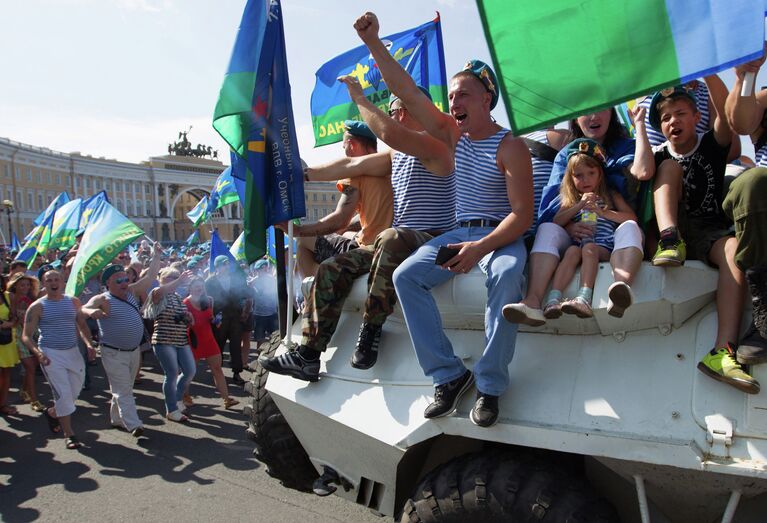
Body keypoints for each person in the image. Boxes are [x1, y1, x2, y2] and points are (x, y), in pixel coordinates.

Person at [347, 13, 533, 427]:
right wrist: (374, 43)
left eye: (464, 95)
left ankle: (489, 385)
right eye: (452, 96)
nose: (454, 103)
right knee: (405, 277)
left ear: (487, 98)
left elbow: (522, 216)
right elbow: (407, 92)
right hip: (456, 231)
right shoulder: (453, 134)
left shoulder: (512, 146)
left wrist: (479, 249)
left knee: (505, 278)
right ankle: (448, 376)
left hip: (499, 236)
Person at [260, 76, 456, 378]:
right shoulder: (395, 156)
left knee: (389, 236)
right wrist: (305, 174)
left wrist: (360, 99)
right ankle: (309, 356)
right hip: (396, 243)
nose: (393, 120)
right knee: (331, 268)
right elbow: (352, 166)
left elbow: (385, 134)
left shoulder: (437, 146)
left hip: (431, 240)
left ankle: (371, 331)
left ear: (401, 113)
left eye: (393, 113)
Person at [646, 77, 756, 393]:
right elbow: (640, 172)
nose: (673, 121)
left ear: (696, 117)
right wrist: (642, 130)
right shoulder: (658, 154)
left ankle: (722, 352)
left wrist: (710, 72)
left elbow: (725, 114)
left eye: (680, 113)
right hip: (671, 235)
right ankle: (670, 239)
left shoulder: (710, 145)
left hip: (706, 232)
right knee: (669, 169)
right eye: (665, 118)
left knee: (734, 249)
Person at [504, 106, 653, 324]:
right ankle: (534, 300)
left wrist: (639, 125)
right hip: (576, 236)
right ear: (574, 117)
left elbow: (643, 172)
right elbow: (552, 210)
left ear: (612, 112)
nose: (594, 117)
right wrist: (568, 227)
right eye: (585, 110)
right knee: (548, 230)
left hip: (613, 236)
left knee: (630, 227)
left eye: (601, 109)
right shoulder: (567, 154)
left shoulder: (627, 147)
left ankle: (620, 289)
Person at [543, 140, 639, 319]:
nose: (585, 179)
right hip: (580, 245)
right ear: (570, 178)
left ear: (600, 174)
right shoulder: (572, 199)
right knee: (572, 251)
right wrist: (578, 205)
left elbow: (631, 218)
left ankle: (584, 297)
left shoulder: (610, 195)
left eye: (591, 173)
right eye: (578, 175)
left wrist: (604, 212)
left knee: (589, 249)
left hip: (604, 246)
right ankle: (553, 299)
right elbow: (557, 220)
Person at [288, 120, 394, 280]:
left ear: (351, 144)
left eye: (344, 146)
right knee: (349, 233)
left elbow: (340, 220)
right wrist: (344, 230)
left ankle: (312, 291)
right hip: (390, 244)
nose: (344, 151)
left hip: (367, 250)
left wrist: (298, 231)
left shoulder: (357, 174)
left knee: (303, 240)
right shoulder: (390, 167)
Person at [81, 242, 162, 437]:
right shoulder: (103, 298)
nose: (124, 282)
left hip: (133, 351)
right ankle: (134, 424)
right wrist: (93, 312)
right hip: (113, 352)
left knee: (122, 387)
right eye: (118, 280)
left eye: (125, 278)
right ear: (107, 283)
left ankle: (116, 418)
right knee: (123, 389)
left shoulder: (132, 292)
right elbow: (83, 309)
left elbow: (151, 276)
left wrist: (156, 255)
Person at [22, 269, 96, 449]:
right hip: (51, 354)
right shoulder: (37, 306)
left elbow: (82, 325)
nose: (53, 283)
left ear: (63, 282)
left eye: (57, 279)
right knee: (62, 394)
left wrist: (89, 344)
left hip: (73, 352)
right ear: (43, 284)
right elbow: (26, 336)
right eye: (49, 280)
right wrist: (38, 353)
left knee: (74, 392)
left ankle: (53, 413)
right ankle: (69, 434)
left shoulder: (73, 302)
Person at [147, 268, 195, 422]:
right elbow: (158, 294)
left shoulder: (177, 296)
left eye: (177, 276)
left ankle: (178, 399)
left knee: (190, 371)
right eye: (172, 277)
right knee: (172, 373)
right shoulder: (157, 292)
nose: (177, 278)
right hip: (163, 340)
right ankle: (171, 409)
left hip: (180, 339)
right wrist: (179, 280)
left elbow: (189, 323)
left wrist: (188, 317)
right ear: (162, 279)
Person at [183, 277, 238, 410]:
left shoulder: (208, 300)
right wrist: (189, 323)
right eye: (196, 286)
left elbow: (211, 319)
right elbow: (182, 324)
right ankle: (184, 395)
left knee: (217, 369)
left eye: (201, 286)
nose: (199, 289)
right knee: (189, 372)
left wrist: (216, 322)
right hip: (193, 341)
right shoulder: (185, 303)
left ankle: (226, 399)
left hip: (209, 340)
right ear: (190, 288)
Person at [205, 256, 250, 385]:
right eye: (224, 264)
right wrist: (211, 317)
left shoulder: (235, 279)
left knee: (236, 345)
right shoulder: (209, 281)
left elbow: (244, 294)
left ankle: (237, 373)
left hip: (235, 317)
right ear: (217, 266)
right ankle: (216, 372)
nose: (226, 266)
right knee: (218, 346)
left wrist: (245, 310)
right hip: (219, 318)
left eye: (227, 264)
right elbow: (207, 301)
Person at [8, 273, 43, 412]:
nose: (26, 287)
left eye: (28, 285)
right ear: (15, 285)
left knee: (32, 366)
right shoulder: (9, 298)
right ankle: (34, 400)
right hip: (17, 335)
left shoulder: (32, 299)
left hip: (32, 333)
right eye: (22, 285)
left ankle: (24, 390)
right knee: (30, 367)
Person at [0, 274, 19, 416]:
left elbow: (15, 318)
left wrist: (10, 323)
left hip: (6, 342)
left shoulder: (9, 297)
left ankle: (3, 404)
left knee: (6, 374)